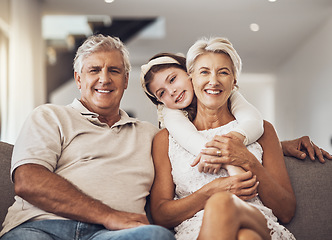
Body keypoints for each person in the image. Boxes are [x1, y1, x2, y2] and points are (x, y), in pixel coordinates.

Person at [0, 34, 175, 240]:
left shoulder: (151, 135)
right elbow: (28, 181)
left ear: (126, 80)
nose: (104, 79)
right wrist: (109, 215)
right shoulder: (50, 116)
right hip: (41, 228)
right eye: (94, 70)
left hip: (111, 235)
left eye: (114, 71)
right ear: (78, 79)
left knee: (156, 236)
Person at [148, 36, 299, 240]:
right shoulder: (166, 139)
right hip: (200, 231)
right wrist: (212, 191)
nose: (214, 81)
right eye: (204, 72)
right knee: (246, 237)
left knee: (223, 204)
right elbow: (161, 215)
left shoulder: (263, 131)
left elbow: (286, 211)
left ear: (234, 80)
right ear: (191, 77)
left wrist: (246, 160)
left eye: (223, 72)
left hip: (258, 220)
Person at [140, 52, 264, 175]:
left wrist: (232, 143)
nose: (171, 91)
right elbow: (189, 138)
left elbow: (254, 121)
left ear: (190, 72)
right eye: (162, 93)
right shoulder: (170, 114)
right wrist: (228, 164)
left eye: (172, 79)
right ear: (160, 102)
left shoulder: (223, 92)